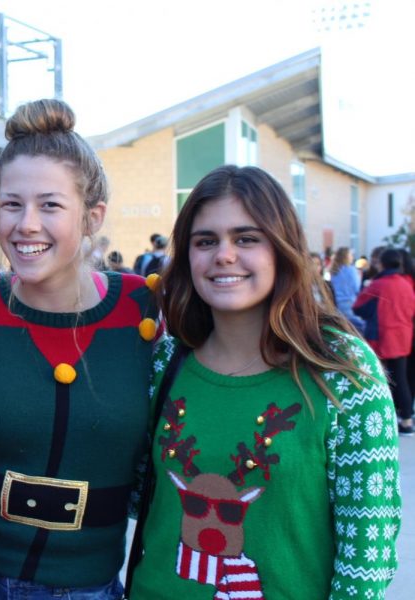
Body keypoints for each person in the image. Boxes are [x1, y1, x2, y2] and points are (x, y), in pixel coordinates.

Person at [129, 165, 400, 599]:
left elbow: (368, 553)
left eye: (246, 238)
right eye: (205, 241)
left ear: (282, 248)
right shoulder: (164, 360)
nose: (224, 255)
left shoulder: (342, 369)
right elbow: (136, 493)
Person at [0, 99, 157, 598]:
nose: (27, 224)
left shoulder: (146, 312)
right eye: (12, 204)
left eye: (51, 205)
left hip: (89, 585)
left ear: (92, 216)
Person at [354, 247, 415, 436]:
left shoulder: (378, 285)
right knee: (401, 379)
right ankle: (406, 419)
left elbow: (358, 307)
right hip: (403, 337)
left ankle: (382, 419)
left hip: (381, 337)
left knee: (379, 380)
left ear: (381, 264)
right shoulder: (407, 283)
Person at [329, 247, 365, 331]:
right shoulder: (351, 270)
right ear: (346, 256)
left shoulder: (334, 270)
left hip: (337, 303)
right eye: (351, 255)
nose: (352, 257)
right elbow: (357, 288)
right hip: (349, 302)